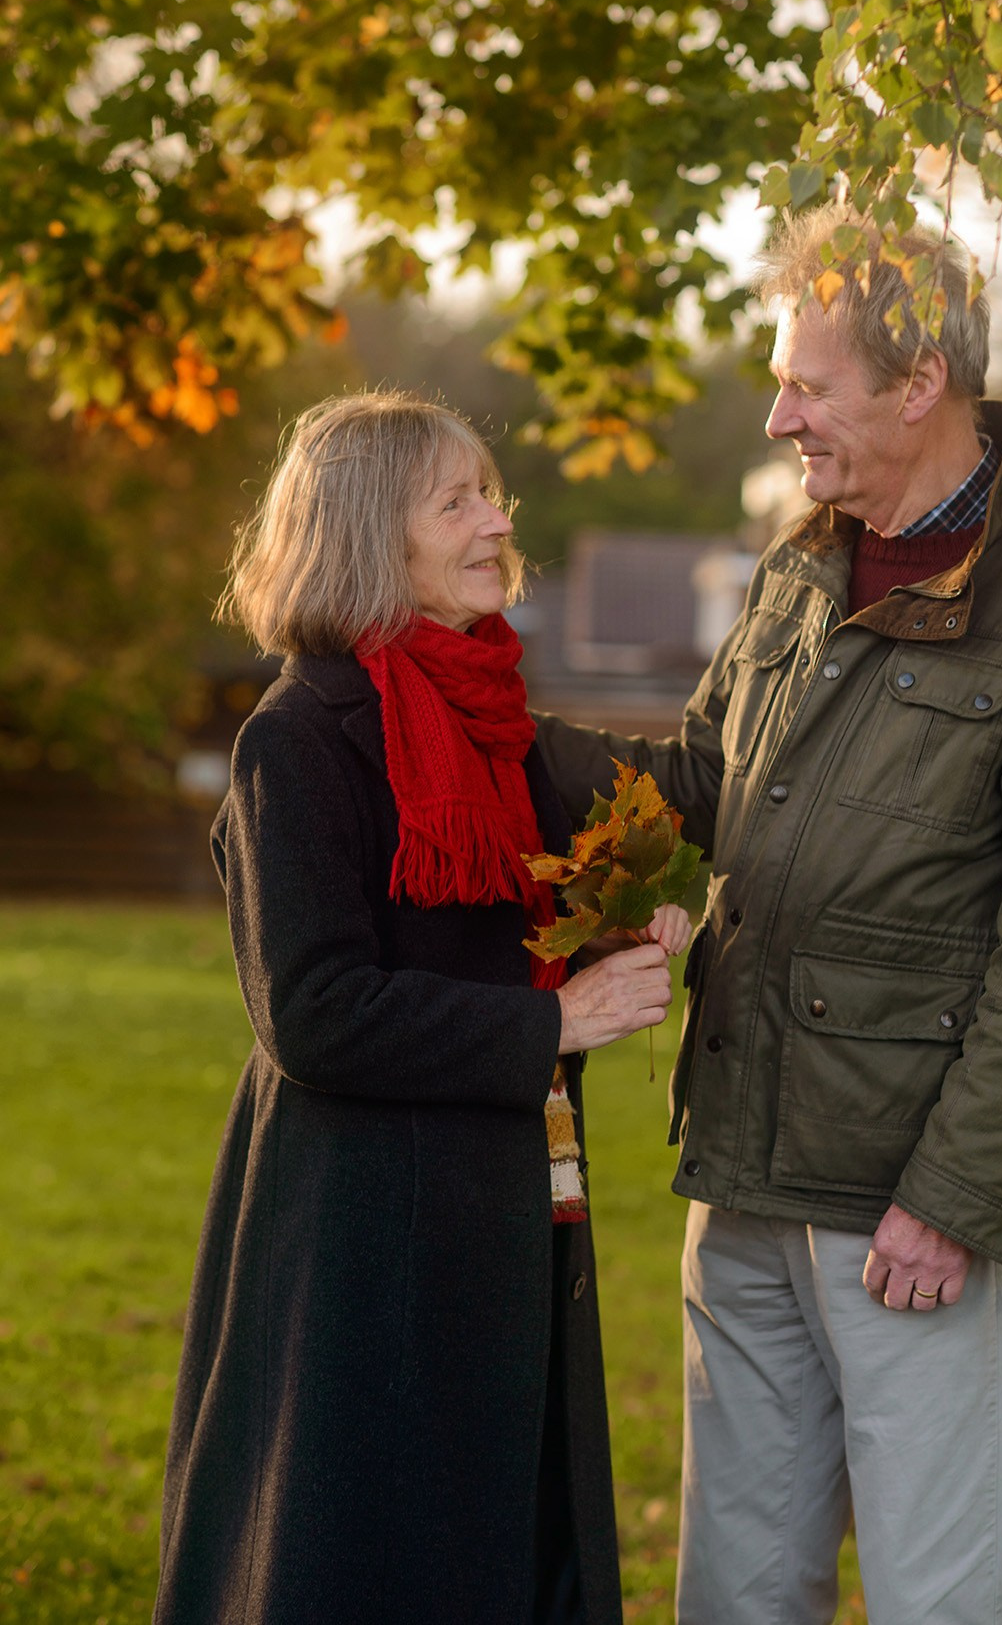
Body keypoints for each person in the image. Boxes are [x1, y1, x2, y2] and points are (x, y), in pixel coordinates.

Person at [536, 205, 1002, 1625]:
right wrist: (498, 739)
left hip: (905, 1207)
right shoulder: (799, 565)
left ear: (918, 382)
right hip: (740, 1169)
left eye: (806, 384)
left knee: (934, 1599)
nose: (776, 418)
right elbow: (699, 783)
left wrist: (951, 1198)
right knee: (734, 1592)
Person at [153, 391, 691, 1625]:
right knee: (370, 1563)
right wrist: (551, 1025)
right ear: (362, 535)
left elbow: (503, 937)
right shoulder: (296, 742)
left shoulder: (491, 720)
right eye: (457, 500)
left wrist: (609, 936)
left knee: (500, 1543)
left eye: (491, 492)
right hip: (361, 1235)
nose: (499, 519)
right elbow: (314, 1010)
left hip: (504, 1207)